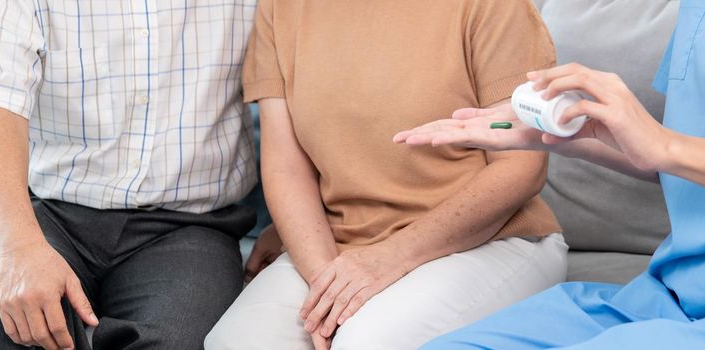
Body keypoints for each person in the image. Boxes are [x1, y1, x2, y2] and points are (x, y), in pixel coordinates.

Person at [395, 0, 705, 348]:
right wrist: (563, 137)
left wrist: (665, 146)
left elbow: (670, 150)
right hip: (669, 295)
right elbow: (685, 163)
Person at [205, 0, 568, 349]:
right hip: (340, 245)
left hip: (488, 240)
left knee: (366, 341)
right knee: (236, 342)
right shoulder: (280, 6)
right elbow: (286, 166)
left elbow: (522, 166)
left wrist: (391, 257)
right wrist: (328, 285)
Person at [0, 1, 269, 349]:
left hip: (191, 225)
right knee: (13, 323)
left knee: (177, 341)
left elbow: (301, 91)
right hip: (47, 212)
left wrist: (288, 228)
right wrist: (21, 247)